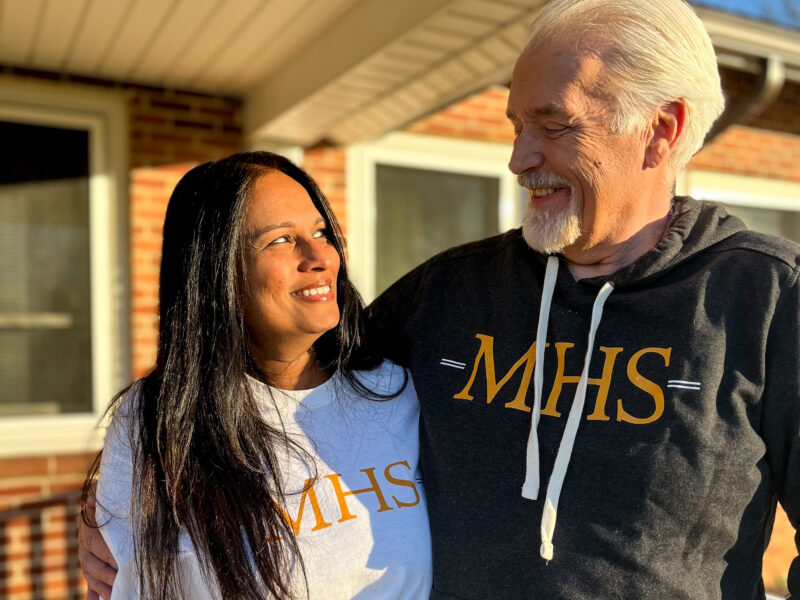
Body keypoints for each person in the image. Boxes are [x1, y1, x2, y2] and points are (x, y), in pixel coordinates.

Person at [82, 0, 800, 597]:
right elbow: (281, 365)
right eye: (517, 126)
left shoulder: (767, 297)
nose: (520, 159)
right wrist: (135, 483)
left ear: (661, 131)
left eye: (554, 126)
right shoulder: (452, 290)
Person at [79, 151, 432, 600]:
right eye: (281, 240)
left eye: (321, 231)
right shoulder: (155, 422)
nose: (320, 256)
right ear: (217, 272)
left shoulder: (395, 389)